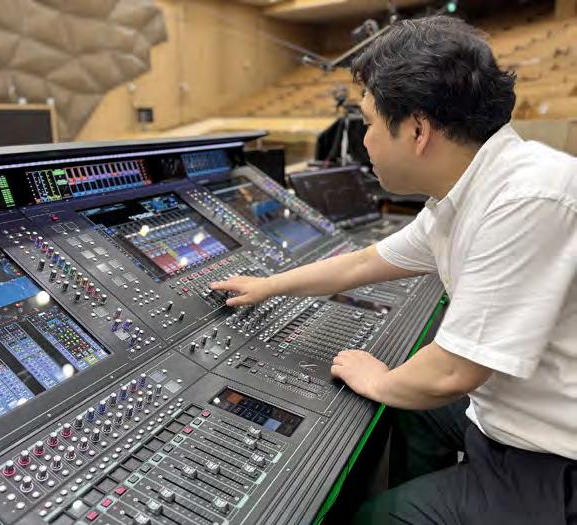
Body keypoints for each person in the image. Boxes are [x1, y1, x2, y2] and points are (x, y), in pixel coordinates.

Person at [210, 15, 576, 524]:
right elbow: (364, 262)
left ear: (418, 130)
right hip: (516, 410)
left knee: (379, 515)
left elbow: (453, 372)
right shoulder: (470, 191)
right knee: (414, 416)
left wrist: (381, 381)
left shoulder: (527, 199)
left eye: (369, 123)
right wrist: (269, 285)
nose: (364, 140)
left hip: (555, 459)